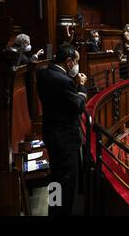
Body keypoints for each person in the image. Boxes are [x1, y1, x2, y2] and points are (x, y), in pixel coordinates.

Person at [36, 44, 88, 216]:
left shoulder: (43, 73)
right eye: (76, 62)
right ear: (68, 61)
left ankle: (53, 210)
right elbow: (78, 106)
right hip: (65, 141)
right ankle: (60, 213)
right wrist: (80, 86)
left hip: (52, 134)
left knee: (56, 179)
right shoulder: (64, 81)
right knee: (66, 184)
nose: (76, 66)